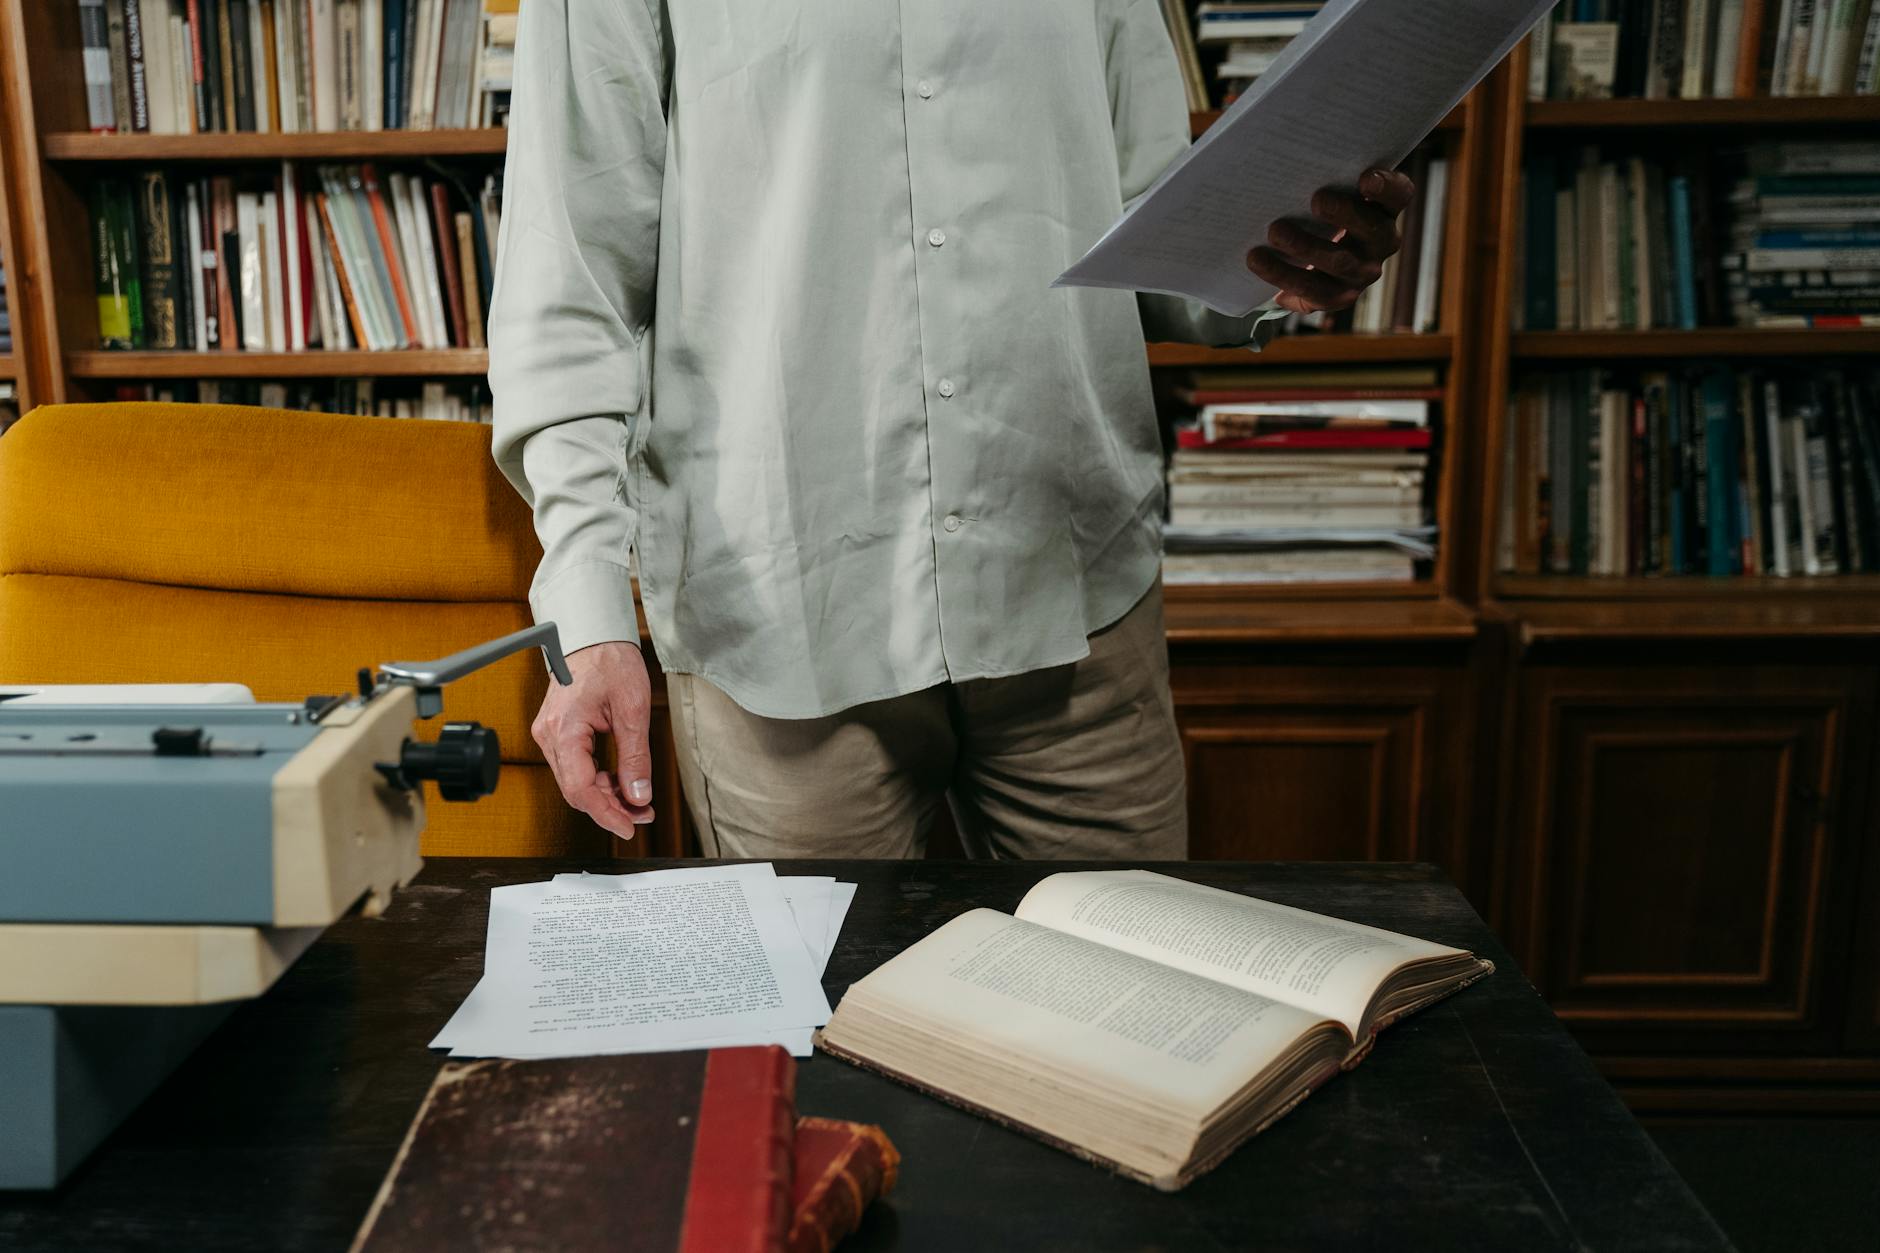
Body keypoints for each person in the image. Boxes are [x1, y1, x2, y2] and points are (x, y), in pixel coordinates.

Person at [489, 1, 1412, 859]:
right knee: (822, 1022)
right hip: (783, 616)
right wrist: (591, 611)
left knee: (1130, 1015)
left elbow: (1137, 217)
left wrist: (1274, 265)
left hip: (1074, 581)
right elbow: (572, 287)